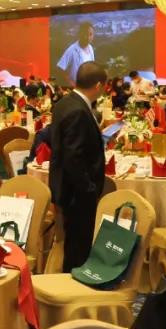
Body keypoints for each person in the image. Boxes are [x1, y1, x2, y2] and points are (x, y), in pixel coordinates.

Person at [49, 61, 108, 272]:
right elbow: (73, 158)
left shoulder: (65, 103)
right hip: (77, 193)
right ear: (99, 85)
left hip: (66, 187)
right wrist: (89, 189)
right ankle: (74, 283)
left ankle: (71, 279)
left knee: (74, 243)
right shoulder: (78, 111)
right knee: (78, 248)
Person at [56, 22, 95, 87]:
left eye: (90, 34)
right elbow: (60, 68)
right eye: (86, 34)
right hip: (77, 88)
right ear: (81, 34)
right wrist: (72, 84)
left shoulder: (90, 48)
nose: (88, 37)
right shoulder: (72, 49)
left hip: (87, 87)